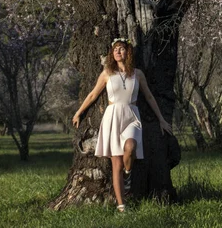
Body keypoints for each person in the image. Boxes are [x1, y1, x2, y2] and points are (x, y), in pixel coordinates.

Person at [72, 37, 173, 212]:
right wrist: (79, 112)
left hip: (132, 115)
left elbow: (149, 97)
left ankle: (128, 174)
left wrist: (161, 119)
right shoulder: (107, 73)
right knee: (116, 164)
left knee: (131, 146)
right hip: (112, 117)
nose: (119, 51)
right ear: (112, 53)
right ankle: (121, 205)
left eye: (122, 48)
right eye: (115, 49)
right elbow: (92, 95)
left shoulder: (137, 73)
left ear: (128, 51)